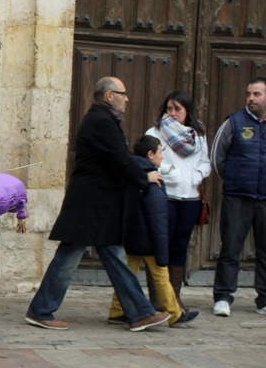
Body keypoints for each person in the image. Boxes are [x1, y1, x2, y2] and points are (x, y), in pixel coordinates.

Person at [24, 76, 171, 332]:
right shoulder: (101, 121)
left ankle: (139, 312)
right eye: (122, 93)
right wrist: (143, 176)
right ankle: (41, 310)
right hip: (90, 204)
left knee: (112, 256)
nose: (127, 98)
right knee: (70, 257)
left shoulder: (103, 120)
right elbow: (119, 159)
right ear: (109, 96)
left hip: (98, 204)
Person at [107, 135, 199, 326]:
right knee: (160, 274)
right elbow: (157, 218)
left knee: (127, 275)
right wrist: (161, 247)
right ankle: (174, 314)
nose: (163, 156)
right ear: (150, 154)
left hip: (132, 235)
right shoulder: (152, 180)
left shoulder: (133, 175)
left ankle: (116, 311)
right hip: (147, 238)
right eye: (160, 151)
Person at [145, 91, 210, 309]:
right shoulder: (155, 132)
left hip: (190, 197)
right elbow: (148, 159)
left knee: (180, 246)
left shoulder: (198, 134)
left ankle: (174, 296)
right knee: (161, 245)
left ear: (187, 112)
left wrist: (197, 176)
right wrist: (171, 171)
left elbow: (205, 162)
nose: (172, 114)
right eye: (169, 108)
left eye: (177, 109)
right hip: (166, 195)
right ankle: (157, 297)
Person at [210, 77, 266, 317]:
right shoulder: (234, 122)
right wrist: (233, 179)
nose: (251, 99)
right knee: (231, 247)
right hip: (237, 197)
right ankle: (223, 297)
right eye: (248, 94)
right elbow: (217, 156)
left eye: (256, 94)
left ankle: (263, 299)